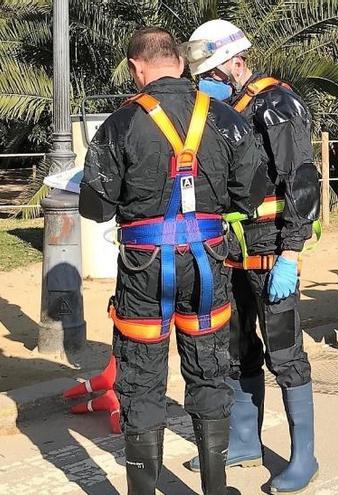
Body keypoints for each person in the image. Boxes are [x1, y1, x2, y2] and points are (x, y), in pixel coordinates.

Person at [79, 27, 265, 494]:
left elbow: (96, 207)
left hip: (144, 269)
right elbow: (254, 192)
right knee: (209, 372)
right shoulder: (225, 118)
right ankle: (216, 488)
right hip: (208, 265)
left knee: (141, 379)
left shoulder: (120, 124)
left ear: (137, 68)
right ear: (181, 64)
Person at [181, 20, 320, 494]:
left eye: (212, 71)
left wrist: (292, 253)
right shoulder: (225, 110)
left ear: (235, 60)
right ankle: (245, 440)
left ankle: (305, 456)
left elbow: (300, 178)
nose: (207, 81)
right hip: (230, 252)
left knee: (285, 354)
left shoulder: (276, 104)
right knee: (237, 349)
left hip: (272, 248)